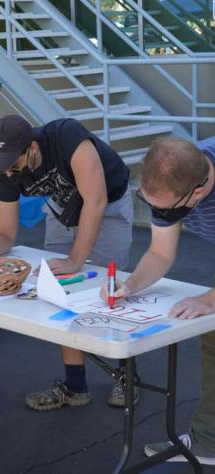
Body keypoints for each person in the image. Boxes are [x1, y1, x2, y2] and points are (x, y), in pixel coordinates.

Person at [0, 114, 135, 410]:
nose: (8, 173)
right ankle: (75, 385)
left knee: (112, 292)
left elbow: (95, 201)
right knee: (59, 294)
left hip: (107, 202)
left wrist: (75, 259)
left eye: (13, 164)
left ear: (32, 148)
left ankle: (126, 377)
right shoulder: (5, 172)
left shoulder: (68, 137)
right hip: (65, 204)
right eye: (1, 166)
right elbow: (4, 233)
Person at [101, 137, 215, 465]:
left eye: (165, 209)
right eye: (152, 204)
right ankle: (210, 441)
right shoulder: (173, 180)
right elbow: (160, 252)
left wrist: (210, 299)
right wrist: (132, 284)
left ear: (198, 191)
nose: (160, 214)